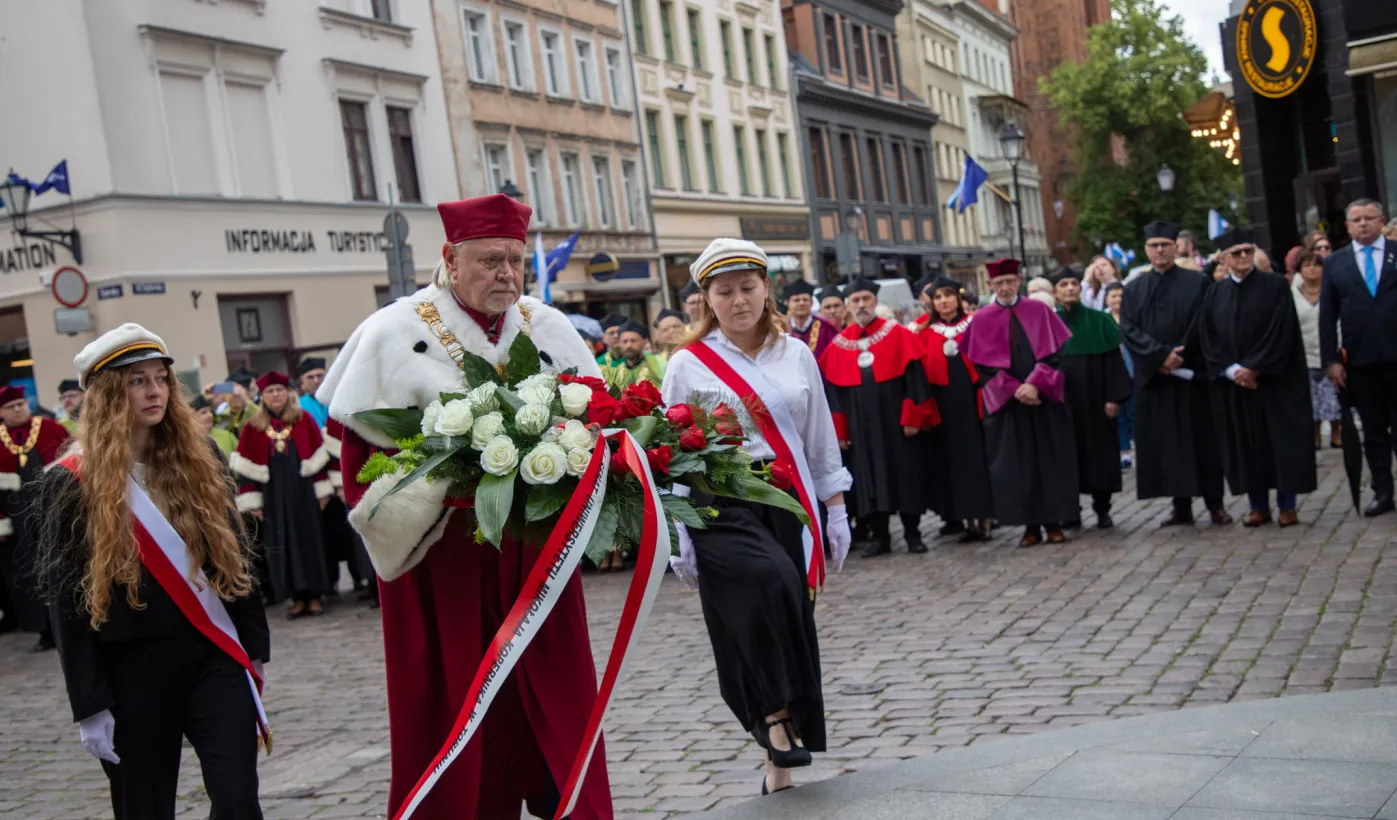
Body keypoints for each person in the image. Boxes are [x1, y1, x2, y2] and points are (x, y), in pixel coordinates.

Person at [317, 193, 613, 819]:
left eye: (514, 260)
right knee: (456, 703)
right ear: (450, 259)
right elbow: (360, 470)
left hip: (536, 556)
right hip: (443, 562)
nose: (507, 274)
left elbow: (599, 424)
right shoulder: (394, 332)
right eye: (490, 260)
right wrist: (447, 484)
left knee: (557, 692)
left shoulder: (547, 326)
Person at [38, 323, 269, 820]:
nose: (155, 391)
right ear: (107, 395)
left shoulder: (200, 457)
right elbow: (66, 600)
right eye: (137, 381)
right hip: (132, 669)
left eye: (161, 378)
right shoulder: (71, 482)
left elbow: (235, 554)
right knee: (144, 808)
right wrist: (89, 701)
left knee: (238, 799)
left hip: (211, 656)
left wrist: (253, 647)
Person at [663, 238, 852, 798]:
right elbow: (668, 450)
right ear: (706, 299)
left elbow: (819, 437)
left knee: (787, 609)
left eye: (748, 288)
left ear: (767, 288)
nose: (738, 300)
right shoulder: (687, 363)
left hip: (785, 498)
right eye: (724, 292)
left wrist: (836, 510)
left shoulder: (796, 354)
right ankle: (772, 714)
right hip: (719, 501)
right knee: (766, 586)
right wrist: (676, 531)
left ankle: (778, 763)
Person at [1198, 228, 1317, 526]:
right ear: (1224, 259)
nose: (1243, 257)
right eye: (1236, 253)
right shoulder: (1215, 293)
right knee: (1247, 445)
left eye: (1248, 251)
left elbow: (1282, 330)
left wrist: (1254, 368)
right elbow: (1209, 337)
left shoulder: (1275, 285)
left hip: (1275, 382)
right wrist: (1232, 370)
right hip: (1237, 386)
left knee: (1282, 443)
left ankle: (1287, 505)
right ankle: (1258, 505)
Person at [1120, 221, 1232, 527]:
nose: (1159, 250)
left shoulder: (1198, 282)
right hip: (1157, 379)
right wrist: (1159, 356)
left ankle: (1215, 504)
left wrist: (1179, 355)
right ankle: (1180, 506)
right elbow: (1129, 329)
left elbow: (1203, 322)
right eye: (1154, 245)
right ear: (1146, 249)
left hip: (1192, 376)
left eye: (1165, 245)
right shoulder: (1134, 289)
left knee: (1204, 442)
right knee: (1168, 444)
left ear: (1175, 247)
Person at [962, 259, 1077, 547]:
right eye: (999, 283)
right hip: (1009, 406)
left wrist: (1035, 384)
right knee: (1017, 465)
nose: (1005, 287)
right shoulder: (982, 319)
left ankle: (1054, 523)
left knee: (1050, 461)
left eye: (1010, 281)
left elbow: (1057, 354)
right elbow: (982, 367)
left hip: (1043, 399)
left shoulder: (1040, 310)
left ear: (1019, 281)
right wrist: (1016, 389)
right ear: (990, 285)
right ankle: (1030, 527)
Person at [820, 276, 936, 556]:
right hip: (860, 428)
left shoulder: (898, 334)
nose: (861, 305)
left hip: (896, 423)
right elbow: (833, 394)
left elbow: (915, 380)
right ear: (848, 305)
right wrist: (840, 431)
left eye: (866, 299)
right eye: (856, 300)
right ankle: (880, 536)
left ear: (875, 301)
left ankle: (913, 534)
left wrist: (912, 418)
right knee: (868, 478)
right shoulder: (838, 345)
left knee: (905, 475)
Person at [231, 371, 333, 617]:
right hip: (273, 498)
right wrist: (253, 502)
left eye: (280, 390)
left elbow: (318, 458)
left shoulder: (304, 420)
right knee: (280, 545)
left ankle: (315, 596)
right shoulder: (253, 427)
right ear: (262, 396)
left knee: (309, 542)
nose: (276, 395)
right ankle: (295, 598)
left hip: (303, 493)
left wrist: (322, 490)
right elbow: (246, 471)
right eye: (270, 391)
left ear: (288, 393)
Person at [1320, 198, 1397, 517]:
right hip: (1361, 361)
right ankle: (1383, 491)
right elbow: (1327, 315)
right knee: (1374, 431)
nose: (1363, 224)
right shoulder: (1335, 263)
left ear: (1381, 221)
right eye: (1356, 220)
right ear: (1348, 226)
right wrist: (1330, 360)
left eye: (1369, 218)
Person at [913, 276, 994, 541]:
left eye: (948, 295)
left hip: (972, 403)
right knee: (953, 463)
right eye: (938, 297)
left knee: (977, 459)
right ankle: (964, 520)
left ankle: (984, 517)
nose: (944, 301)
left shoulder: (976, 324)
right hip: (944, 407)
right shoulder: (925, 332)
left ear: (958, 299)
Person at [1051, 267, 1132, 529]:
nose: (1070, 288)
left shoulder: (1099, 321)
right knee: (1065, 455)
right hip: (1062, 403)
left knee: (1100, 454)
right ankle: (1070, 511)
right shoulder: (1048, 323)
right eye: (1064, 284)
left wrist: (1114, 398)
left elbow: (1114, 363)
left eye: (1074, 283)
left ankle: (1102, 509)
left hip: (1096, 401)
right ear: (1055, 291)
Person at [0, 385, 71, 646]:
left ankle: (70, 623)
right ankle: (44, 629)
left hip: (53, 510)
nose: (18, 409)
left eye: (21, 404)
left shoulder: (50, 428)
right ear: (1, 412)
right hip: (18, 521)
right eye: (11, 407)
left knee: (62, 566)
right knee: (28, 574)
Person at [1292, 252, 1343, 449]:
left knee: (1333, 396)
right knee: (1311, 398)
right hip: (1305, 353)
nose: (1312, 269)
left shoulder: (1332, 291)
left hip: (1331, 351)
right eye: (1307, 265)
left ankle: (1337, 433)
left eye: (1316, 265)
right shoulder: (1292, 294)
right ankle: (1315, 435)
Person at [1104, 282, 1136, 468]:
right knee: (1119, 415)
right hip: (1114, 373)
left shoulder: (1132, 316)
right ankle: (1124, 452)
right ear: (1107, 299)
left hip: (1134, 372)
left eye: (1120, 295)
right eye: (1113, 296)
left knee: (1135, 412)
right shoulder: (1103, 319)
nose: (1117, 299)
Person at [783, 279, 839, 360]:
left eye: (805, 299)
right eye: (796, 300)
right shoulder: (782, 329)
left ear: (812, 302)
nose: (801, 303)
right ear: (786, 303)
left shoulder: (826, 328)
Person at [296, 358, 329, 427]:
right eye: (310, 377)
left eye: (319, 375)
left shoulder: (337, 400)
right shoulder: (298, 406)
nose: (316, 381)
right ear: (303, 381)